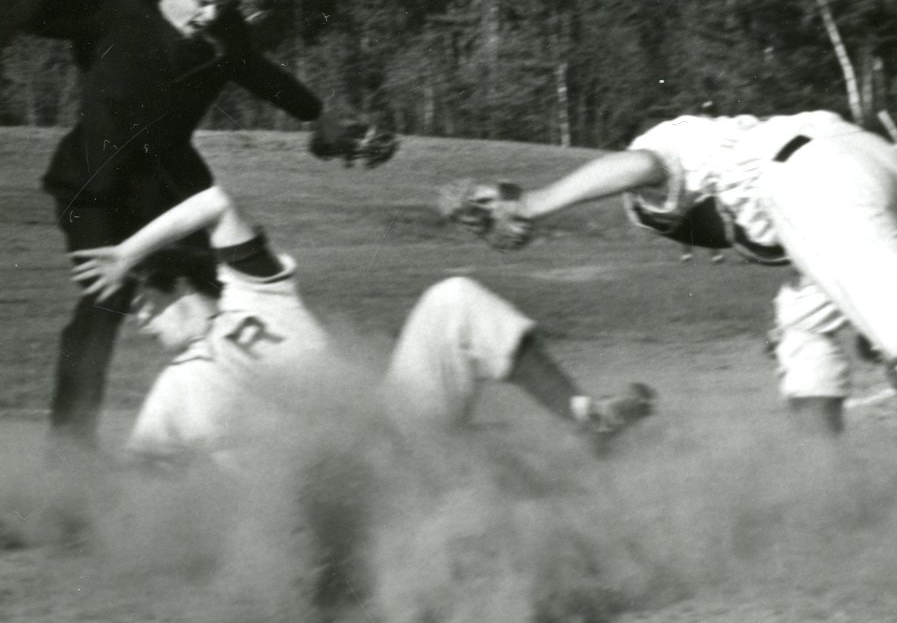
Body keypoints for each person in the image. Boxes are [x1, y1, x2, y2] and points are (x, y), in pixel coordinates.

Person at [442, 108, 897, 443]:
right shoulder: (731, 140)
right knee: (799, 326)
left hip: (807, 182)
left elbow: (638, 166)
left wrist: (534, 205)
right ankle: (819, 480)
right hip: (867, 161)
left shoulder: (673, 151)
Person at [17, 0, 335, 449]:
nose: (212, 15)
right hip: (94, 184)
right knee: (104, 304)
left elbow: (258, 72)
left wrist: (317, 114)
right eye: (203, 2)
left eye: (222, 5)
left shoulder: (220, 31)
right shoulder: (114, 7)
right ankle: (70, 463)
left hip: (170, 182)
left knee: (230, 288)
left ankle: (304, 414)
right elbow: (30, 16)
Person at [70, 186, 656, 471]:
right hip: (338, 499)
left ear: (174, 282)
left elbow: (219, 202)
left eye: (141, 300)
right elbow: (134, 480)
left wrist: (128, 251)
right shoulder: (174, 389)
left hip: (398, 429)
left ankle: (585, 419)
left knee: (452, 298)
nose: (138, 318)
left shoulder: (256, 291)